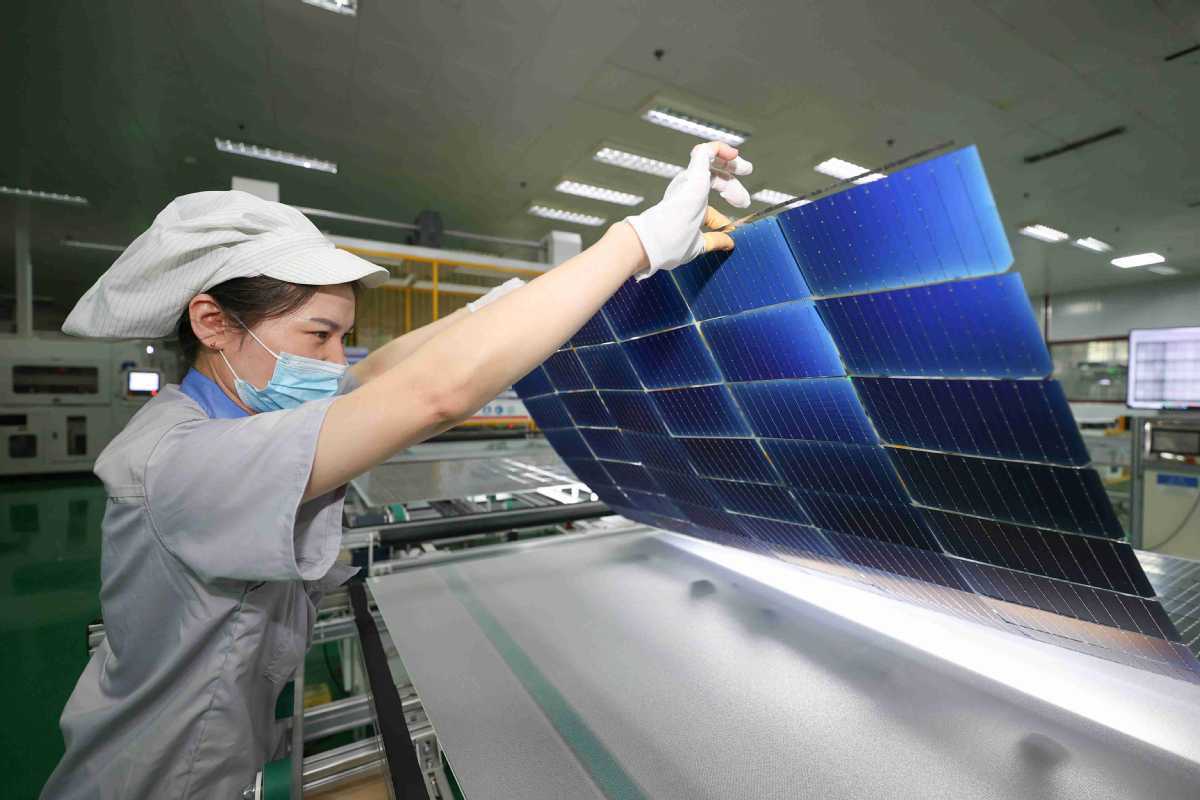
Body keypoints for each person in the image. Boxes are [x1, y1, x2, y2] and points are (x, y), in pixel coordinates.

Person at [41, 141, 752, 798]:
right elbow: (430, 395)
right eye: (319, 335)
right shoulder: (184, 459)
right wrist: (632, 243)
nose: (335, 362)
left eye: (341, 337)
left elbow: (381, 372)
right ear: (212, 323)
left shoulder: (237, 411)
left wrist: (524, 299)